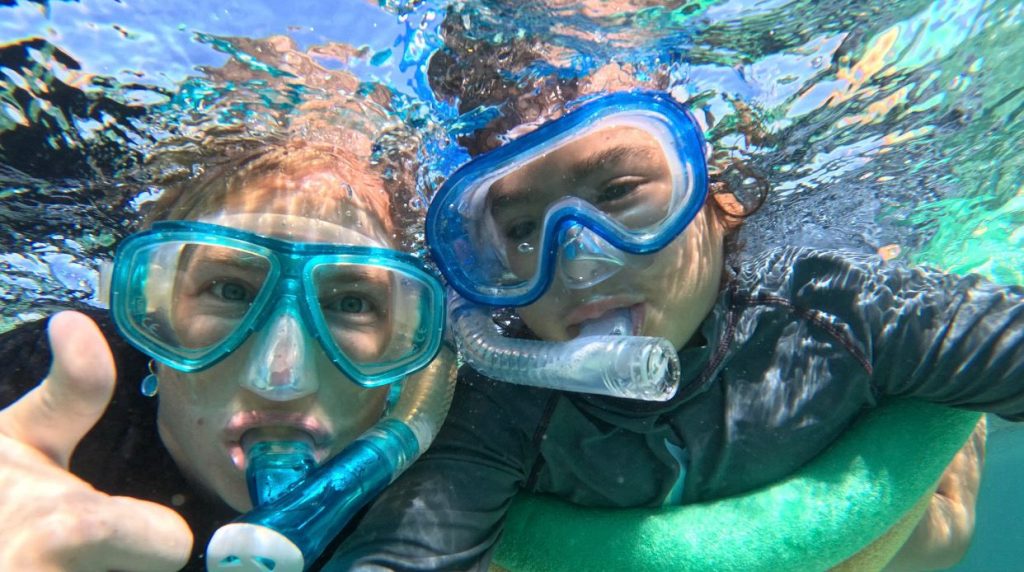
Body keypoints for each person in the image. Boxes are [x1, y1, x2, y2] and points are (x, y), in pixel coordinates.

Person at [329, 5, 1004, 571]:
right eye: (526, 230)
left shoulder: (829, 313)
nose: (579, 263)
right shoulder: (500, 405)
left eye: (619, 193)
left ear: (718, 197)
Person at [0, 43, 454, 571]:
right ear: (152, 315)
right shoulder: (41, 390)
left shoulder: (445, 479)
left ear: (405, 341)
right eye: (230, 291)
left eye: (351, 302)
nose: (280, 381)